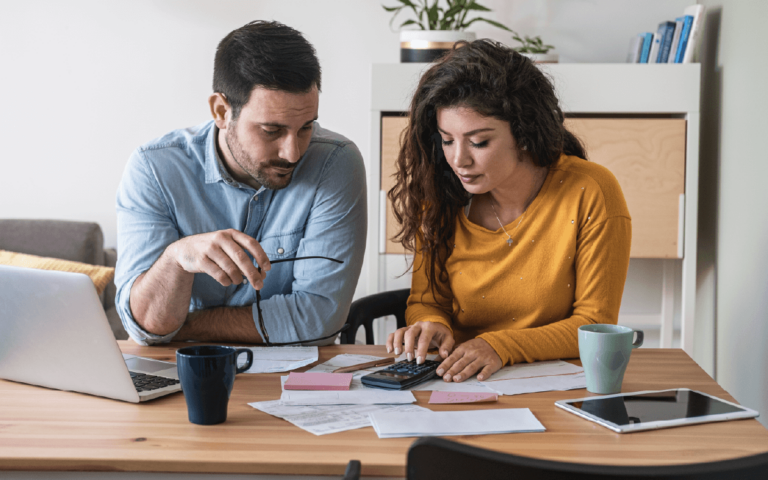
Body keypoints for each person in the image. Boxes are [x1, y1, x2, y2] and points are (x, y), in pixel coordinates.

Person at [385, 40, 631, 383]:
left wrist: (499, 346)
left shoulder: (591, 191)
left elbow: (593, 323)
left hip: (552, 386)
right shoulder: (440, 194)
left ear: (525, 132)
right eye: (447, 139)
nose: (459, 160)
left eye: (479, 142)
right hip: (457, 380)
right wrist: (432, 325)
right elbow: (427, 301)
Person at [115, 21, 366, 346]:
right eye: (271, 130)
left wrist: (183, 327)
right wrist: (177, 258)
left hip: (293, 381)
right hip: (181, 374)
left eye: (306, 127)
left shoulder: (335, 163)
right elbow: (146, 325)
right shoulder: (154, 169)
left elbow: (319, 320)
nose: (293, 153)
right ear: (221, 110)